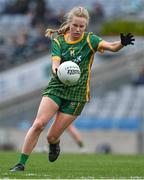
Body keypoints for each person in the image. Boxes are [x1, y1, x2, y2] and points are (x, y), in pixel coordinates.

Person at [9, 6, 135, 172]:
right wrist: (56, 70)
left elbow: (111, 46)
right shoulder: (59, 41)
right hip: (57, 88)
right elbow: (55, 62)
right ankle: (21, 164)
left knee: (51, 136)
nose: (78, 29)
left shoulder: (90, 40)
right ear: (70, 23)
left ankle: (54, 144)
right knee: (39, 124)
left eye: (81, 26)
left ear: (85, 27)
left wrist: (122, 44)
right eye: (75, 25)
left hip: (77, 95)